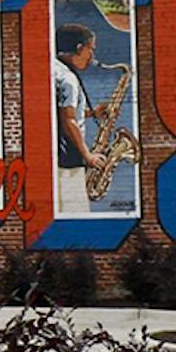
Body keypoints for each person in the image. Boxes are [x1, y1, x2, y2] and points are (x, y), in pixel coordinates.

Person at [53, 23, 112, 215]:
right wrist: (88, 156)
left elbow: (59, 112)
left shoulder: (53, 70)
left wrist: (91, 113)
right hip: (69, 163)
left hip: (55, 160)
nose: (92, 57)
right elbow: (68, 119)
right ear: (79, 48)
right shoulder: (67, 79)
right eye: (91, 50)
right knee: (76, 215)